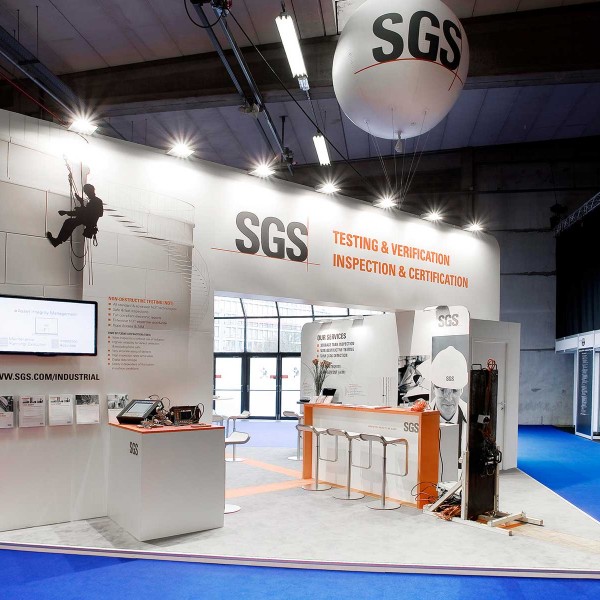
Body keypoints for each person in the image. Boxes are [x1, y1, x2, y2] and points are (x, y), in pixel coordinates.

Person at [430, 346, 468, 464]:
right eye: (442, 390)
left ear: (461, 390)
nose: (448, 398)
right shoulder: (419, 419)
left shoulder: (472, 418)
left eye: (454, 391)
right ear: (433, 389)